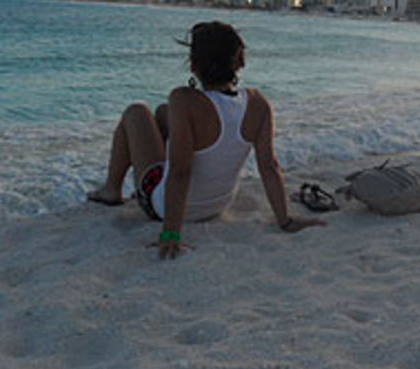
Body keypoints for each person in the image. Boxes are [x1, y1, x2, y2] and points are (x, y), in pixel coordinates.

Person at [87, 21, 325, 259]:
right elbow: (269, 166)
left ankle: (111, 190)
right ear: (240, 62)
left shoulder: (184, 99)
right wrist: (285, 220)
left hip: (162, 208)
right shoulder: (258, 104)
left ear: (193, 66)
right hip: (218, 204)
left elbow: (180, 171)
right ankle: (117, 187)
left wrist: (171, 234)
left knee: (137, 112)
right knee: (162, 112)